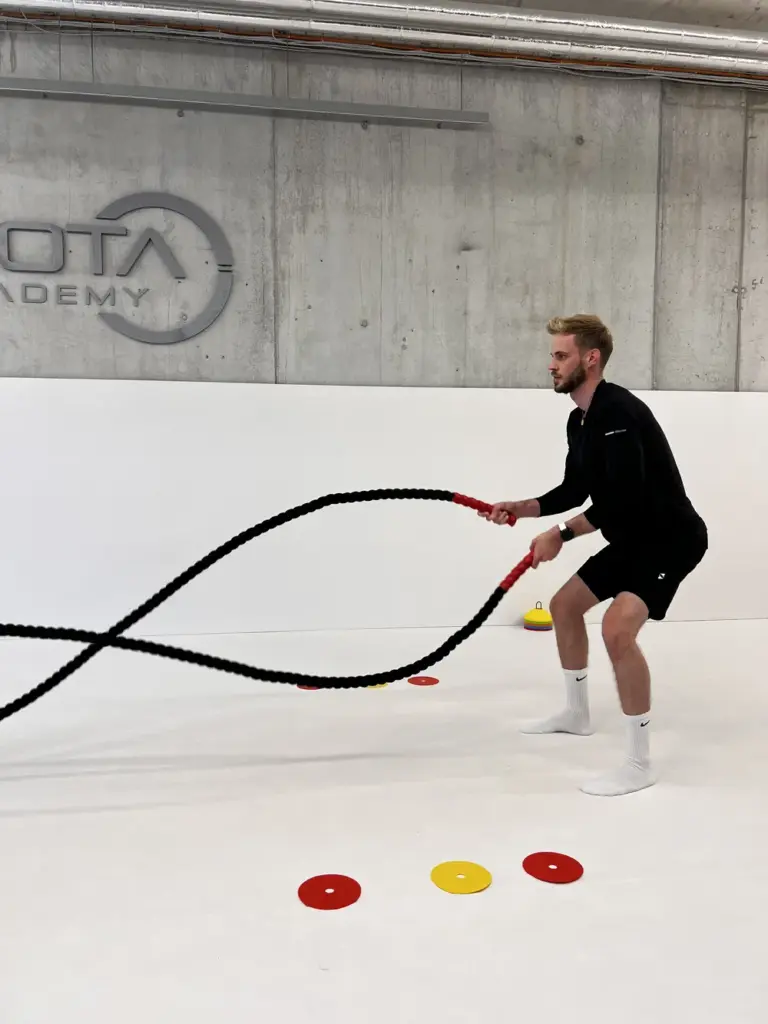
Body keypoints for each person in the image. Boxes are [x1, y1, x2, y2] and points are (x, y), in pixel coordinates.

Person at [480, 314, 707, 797]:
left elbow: (618, 500)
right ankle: (577, 714)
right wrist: (523, 509)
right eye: (552, 356)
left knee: (616, 629)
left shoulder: (620, 413)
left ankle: (638, 762)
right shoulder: (579, 419)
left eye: (561, 356)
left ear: (591, 358)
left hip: (670, 539)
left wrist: (559, 534)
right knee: (564, 606)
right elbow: (574, 488)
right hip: (631, 538)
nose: (551, 365)